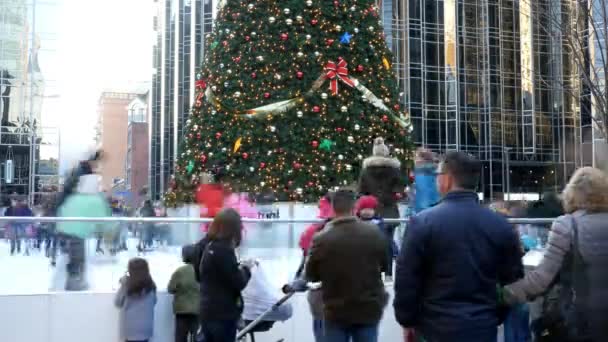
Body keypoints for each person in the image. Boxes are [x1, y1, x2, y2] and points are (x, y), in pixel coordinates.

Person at [393, 151, 524, 342]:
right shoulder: (500, 226)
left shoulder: (422, 223)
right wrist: (495, 315)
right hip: (481, 326)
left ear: (447, 179)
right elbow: (512, 280)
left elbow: (407, 278)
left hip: (434, 327)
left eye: (437, 176)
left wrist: (407, 320)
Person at [504, 167, 608, 342]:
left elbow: (540, 281)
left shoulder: (567, 225)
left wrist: (503, 294)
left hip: (581, 323)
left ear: (571, 193)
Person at [306, 190, 388, 342]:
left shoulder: (322, 239)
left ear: (334, 208)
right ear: (354, 208)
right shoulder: (374, 233)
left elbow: (311, 274)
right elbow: (384, 265)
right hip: (368, 308)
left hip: (336, 310)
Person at [196, 208, 254, 342]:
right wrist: (247, 269)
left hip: (207, 310)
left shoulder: (209, 247)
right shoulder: (224, 250)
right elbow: (238, 282)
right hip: (222, 314)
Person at [284, 193, 334, 342]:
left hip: (322, 296)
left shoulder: (317, 229)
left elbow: (307, 267)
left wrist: (297, 283)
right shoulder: (345, 227)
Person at [57, 173, 112, 291]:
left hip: (65, 231)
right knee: (78, 257)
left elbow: (62, 211)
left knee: (72, 257)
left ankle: (72, 280)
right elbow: (104, 219)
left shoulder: (73, 198)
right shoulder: (95, 199)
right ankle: (75, 282)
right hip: (77, 232)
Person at [358, 137, 402, 278]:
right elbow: (399, 189)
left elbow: (361, 191)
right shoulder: (395, 170)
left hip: (370, 212)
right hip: (390, 210)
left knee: (370, 244)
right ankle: (388, 273)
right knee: (388, 242)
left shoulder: (366, 171)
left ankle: (373, 272)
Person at [114, 258, 157, 342]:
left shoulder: (126, 285)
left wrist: (123, 282)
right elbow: (154, 302)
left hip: (130, 329)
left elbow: (117, 302)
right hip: (146, 328)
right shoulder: (151, 286)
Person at [355, 195, 396, 282]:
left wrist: (388, 272)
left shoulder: (381, 225)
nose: (367, 211)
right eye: (364, 209)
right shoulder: (354, 224)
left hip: (375, 263)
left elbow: (388, 245)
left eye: (370, 209)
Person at [168, 245, 200, 342]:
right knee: (197, 337)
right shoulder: (202, 270)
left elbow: (170, 288)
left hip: (182, 311)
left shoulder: (180, 272)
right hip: (198, 310)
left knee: (180, 338)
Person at [412, 148, 440, 214]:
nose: (415, 159)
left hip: (421, 208)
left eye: (416, 157)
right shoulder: (437, 170)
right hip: (436, 205)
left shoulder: (418, 172)